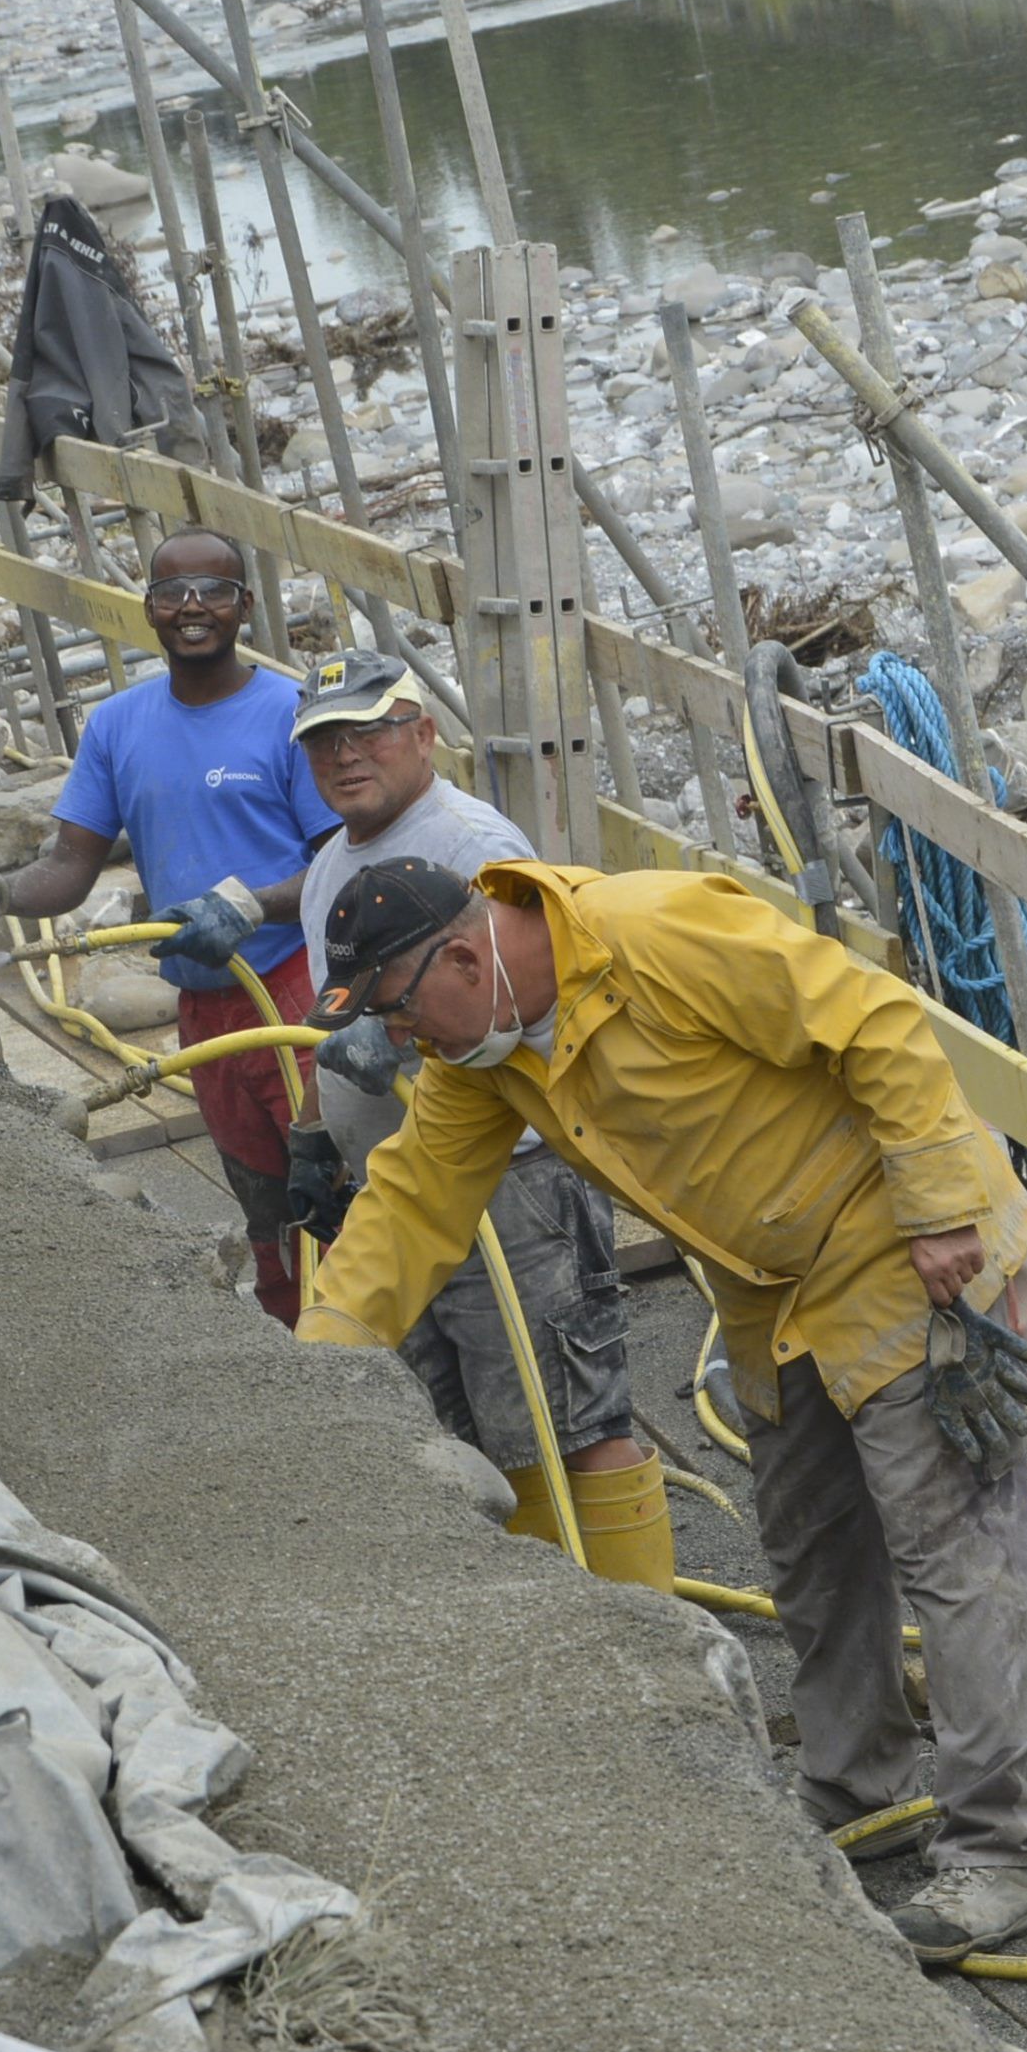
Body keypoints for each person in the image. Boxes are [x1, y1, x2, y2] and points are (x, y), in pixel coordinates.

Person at [296, 856, 1027, 1963]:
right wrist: (314, 1377)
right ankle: (859, 1785)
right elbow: (409, 1206)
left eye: (402, 1011)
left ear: (464, 957)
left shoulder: (652, 934)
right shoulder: (489, 1059)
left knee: (953, 1553)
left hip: (903, 1250)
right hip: (769, 1284)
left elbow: (877, 1023)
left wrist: (942, 1205)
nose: (402, 1043)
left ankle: (995, 1853)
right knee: (809, 1543)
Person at [283, 652, 670, 1590]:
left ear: (422, 732)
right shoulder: (331, 864)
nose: (345, 756)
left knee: (566, 1423)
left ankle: (645, 1627)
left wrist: (406, 1045)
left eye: (368, 730)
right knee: (464, 1430)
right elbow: (325, 1013)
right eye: (325, 740)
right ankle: (545, 1612)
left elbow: (525, 1002)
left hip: (513, 1185)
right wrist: (312, 1133)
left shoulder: (471, 842)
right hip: (405, 1182)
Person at [0, 528, 335, 1322]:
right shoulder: (118, 725)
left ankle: (382, 1348)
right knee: (264, 1207)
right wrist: (0, 891)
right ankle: (302, 1350)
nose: (193, 608)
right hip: (201, 1006)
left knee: (333, 1187)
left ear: (244, 606)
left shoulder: (290, 715)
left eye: (213, 590)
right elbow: (72, 864)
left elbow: (339, 863)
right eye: (172, 593)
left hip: (291, 993)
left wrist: (251, 905)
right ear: (147, 608)